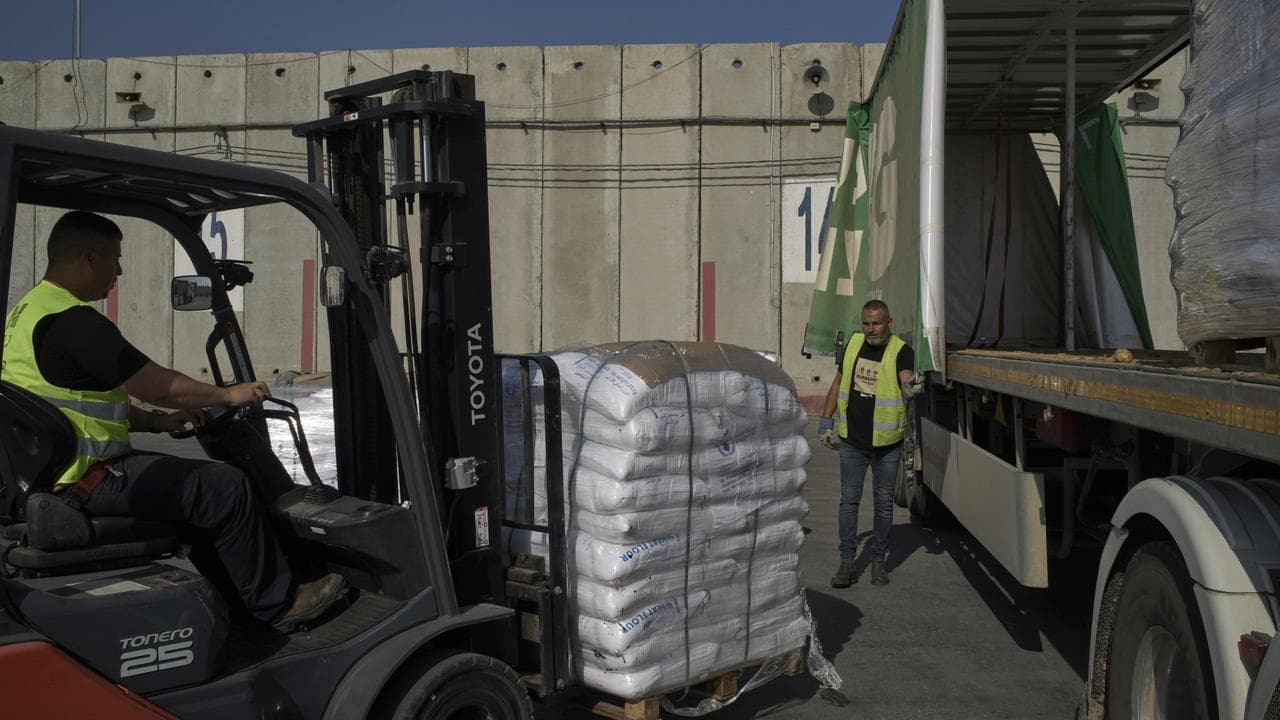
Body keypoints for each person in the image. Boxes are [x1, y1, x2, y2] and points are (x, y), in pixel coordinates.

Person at [1, 211, 345, 632]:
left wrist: (158, 424)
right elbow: (158, 385)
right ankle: (278, 604)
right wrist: (227, 393)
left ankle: (236, 604)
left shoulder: (26, 314)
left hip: (56, 474)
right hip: (90, 479)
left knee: (193, 495)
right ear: (89, 258)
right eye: (116, 259)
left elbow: (71, 399)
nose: (120, 271)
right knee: (225, 487)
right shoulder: (73, 321)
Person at [816, 299, 925, 588]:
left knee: (883, 505)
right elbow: (839, 381)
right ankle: (847, 563)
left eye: (877, 323)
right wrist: (826, 419)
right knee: (848, 502)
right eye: (866, 323)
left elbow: (904, 378)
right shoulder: (853, 344)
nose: (871, 329)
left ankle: (878, 562)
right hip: (853, 440)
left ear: (889, 323)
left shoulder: (901, 350)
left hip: (887, 444)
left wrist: (909, 386)